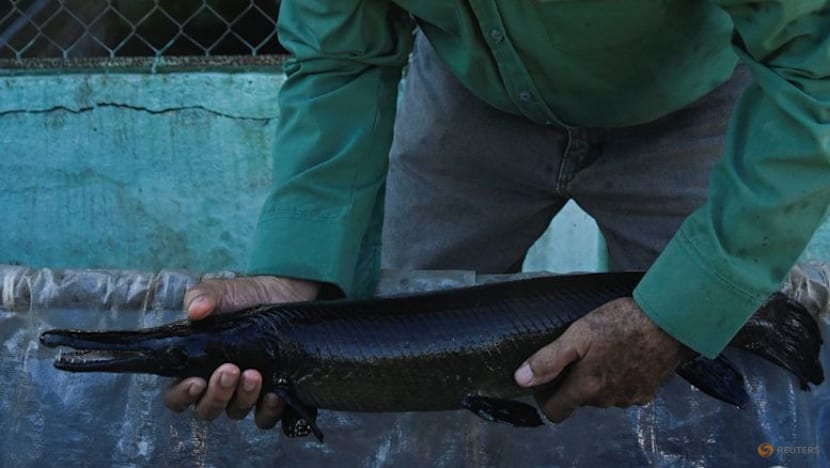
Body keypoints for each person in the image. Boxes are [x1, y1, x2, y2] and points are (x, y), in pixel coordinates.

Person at [163, 0, 830, 431]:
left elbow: (814, 56)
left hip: (692, 101)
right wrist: (294, 275)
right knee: (380, 371)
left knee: (714, 368)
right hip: (469, 98)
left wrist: (691, 301)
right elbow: (343, 58)